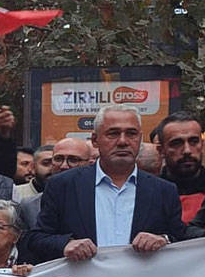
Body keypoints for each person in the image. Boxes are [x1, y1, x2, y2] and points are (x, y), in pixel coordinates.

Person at [26, 104, 185, 262]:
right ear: (95, 140)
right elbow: (37, 239)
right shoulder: (63, 185)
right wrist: (65, 244)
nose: (123, 141)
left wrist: (163, 239)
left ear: (140, 139)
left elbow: (182, 240)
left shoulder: (164, 190)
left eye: (131, 134)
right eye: (113, 134)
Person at [154, 112, 204, 223]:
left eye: (193, 142)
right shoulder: (147, 193)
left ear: (202, 145)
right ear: (161, 150)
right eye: (177, 143)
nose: (187, 150)